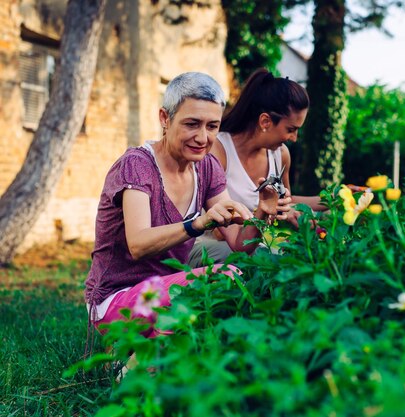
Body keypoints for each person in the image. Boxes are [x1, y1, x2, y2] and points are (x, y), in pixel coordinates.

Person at [84, 72, 289, 337]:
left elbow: (239, 243)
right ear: (165, 119)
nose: (203, 138)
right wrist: (197, 223)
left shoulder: (206, 167)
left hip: (167, 290)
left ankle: (152, 351)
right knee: (222, 278)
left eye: (212, 126)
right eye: (192, 124)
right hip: (117, 301)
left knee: (258, 264)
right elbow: (138, 244)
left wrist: (262, 212)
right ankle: (133, 358)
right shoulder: (137, 165)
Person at [187, 68, 326, 267]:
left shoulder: (280, 155)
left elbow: (285, 202)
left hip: (251, 244)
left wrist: (332, 200)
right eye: (291, 129)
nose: (294, 138)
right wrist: (268, 213)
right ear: (265, 121)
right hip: (211, 245)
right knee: (270, 261)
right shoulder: (218, 151)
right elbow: (220, 229)